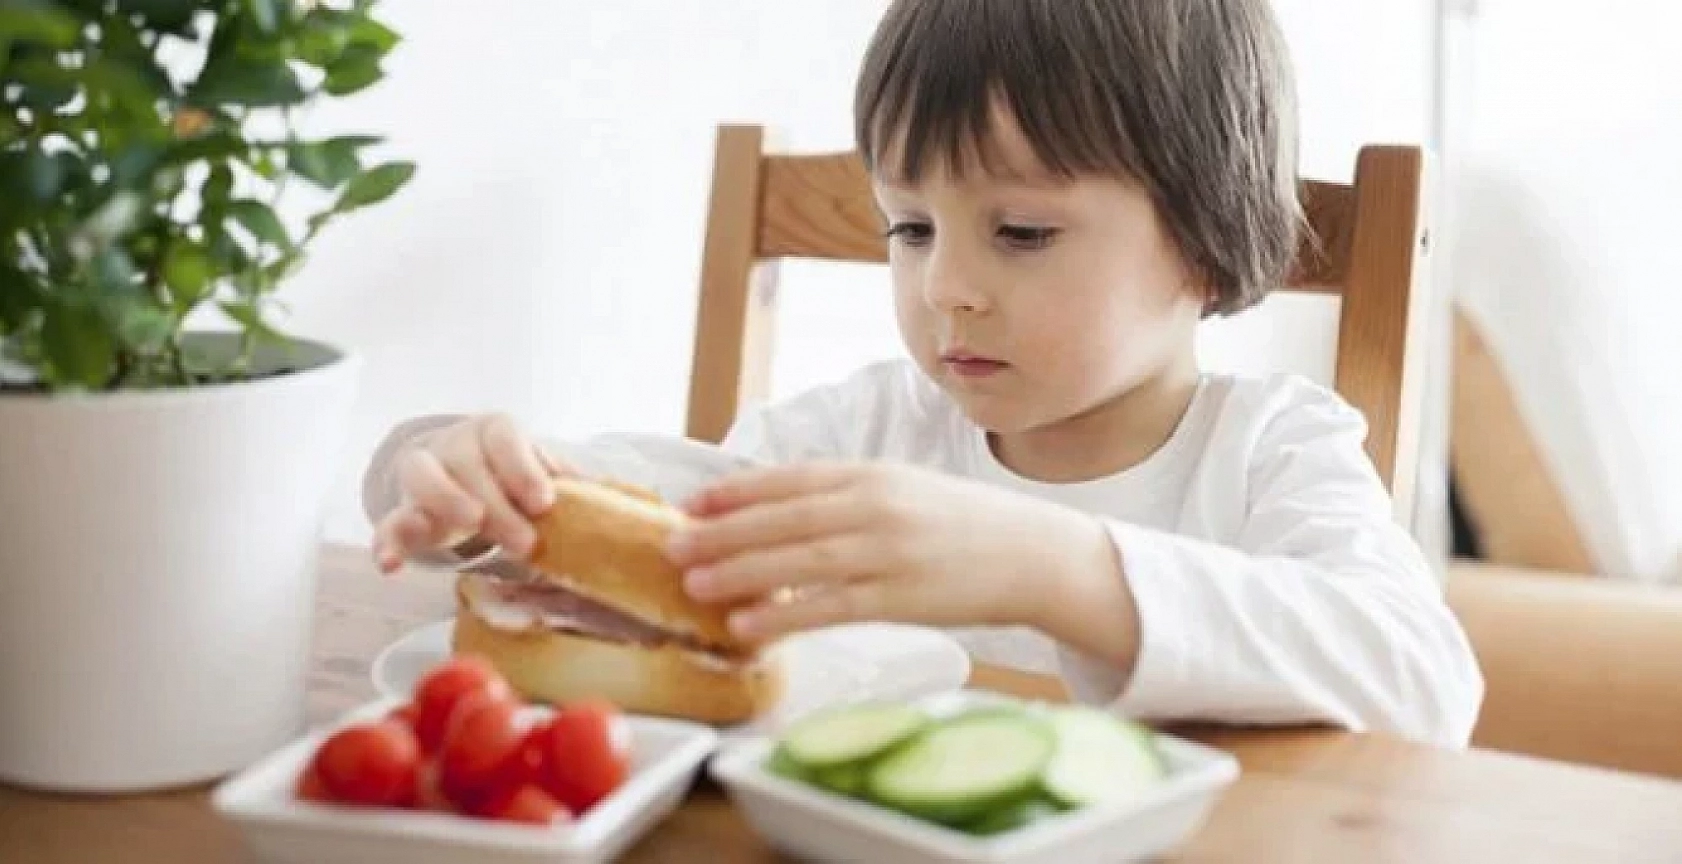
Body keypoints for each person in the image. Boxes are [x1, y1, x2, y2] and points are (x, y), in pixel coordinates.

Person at [361, 0, 1484, 746]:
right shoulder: (866, 429)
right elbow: (622, 503)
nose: (945, 285)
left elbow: (1423, 684)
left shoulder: (1274, 448)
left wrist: (1049, 568)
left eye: (1021, 233)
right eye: (906, 227)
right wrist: (458, 475)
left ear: (1198, 239)